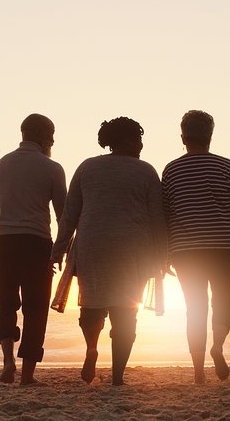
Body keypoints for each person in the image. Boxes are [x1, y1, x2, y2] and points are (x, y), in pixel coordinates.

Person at [51, 117, 166, 386]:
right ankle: (117, 377)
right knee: (126, 313)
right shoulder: (146, 171)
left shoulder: (87, 168)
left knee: (92, 306)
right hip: (132, 250)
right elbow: (157, 218)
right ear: (125, 141)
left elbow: (70, 215)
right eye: (137, 138)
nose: (141, 144)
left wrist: (58, 250)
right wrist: (163, 254)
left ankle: (91, 348)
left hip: (93, 246)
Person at [161, 110, 230, 384]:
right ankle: (218, 346)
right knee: (224, 300)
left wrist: (166, 253)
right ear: (210, 136)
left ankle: (198, 371)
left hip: (186, 250)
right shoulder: (226, 166)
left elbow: (165, 215)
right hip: (225, 246)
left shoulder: (171, 170)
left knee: (195, 307)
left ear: (183, 137)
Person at [0, 113, 67, 385]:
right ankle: (28, 375)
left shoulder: (0, 165)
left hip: (4, 240)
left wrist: (10, 221)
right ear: (45, 137)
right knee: (36, 307)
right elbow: (63, 215)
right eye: (52, 136)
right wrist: (62, 248)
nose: (53, 141)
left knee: (6, 301)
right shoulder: (52, 168)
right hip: (36, 241)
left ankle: (8, 361)